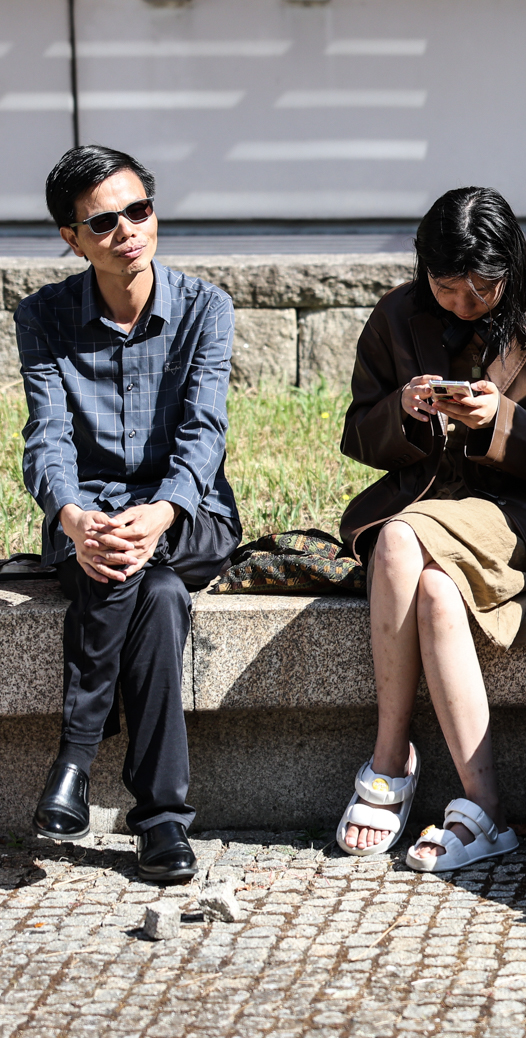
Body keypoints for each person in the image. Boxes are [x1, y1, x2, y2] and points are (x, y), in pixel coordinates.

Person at [334, 187, 526, 870]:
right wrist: (406, 410)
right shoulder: (395, 317)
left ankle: (389, 760)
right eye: (446, 289)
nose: (461, 304)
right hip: (430, 498)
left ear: (510, 267)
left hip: (519, 517)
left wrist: (501, 423)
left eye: (479, 291)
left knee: (398, 538)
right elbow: (358, 434)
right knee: (433, 592)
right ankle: (486, 811)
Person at [21, 145, 242, 882]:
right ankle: (162, 825)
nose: (129, 230)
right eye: (105, 221)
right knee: (157, 593)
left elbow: (203, 434)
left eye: (139, 210)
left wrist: (163, 511)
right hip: (93, 521)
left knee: (147, 564)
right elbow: (46, 437)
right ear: (72, 238)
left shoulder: (206, 307)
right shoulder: (44, 318)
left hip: (189, 514)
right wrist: (74, 516)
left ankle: (76, 757)